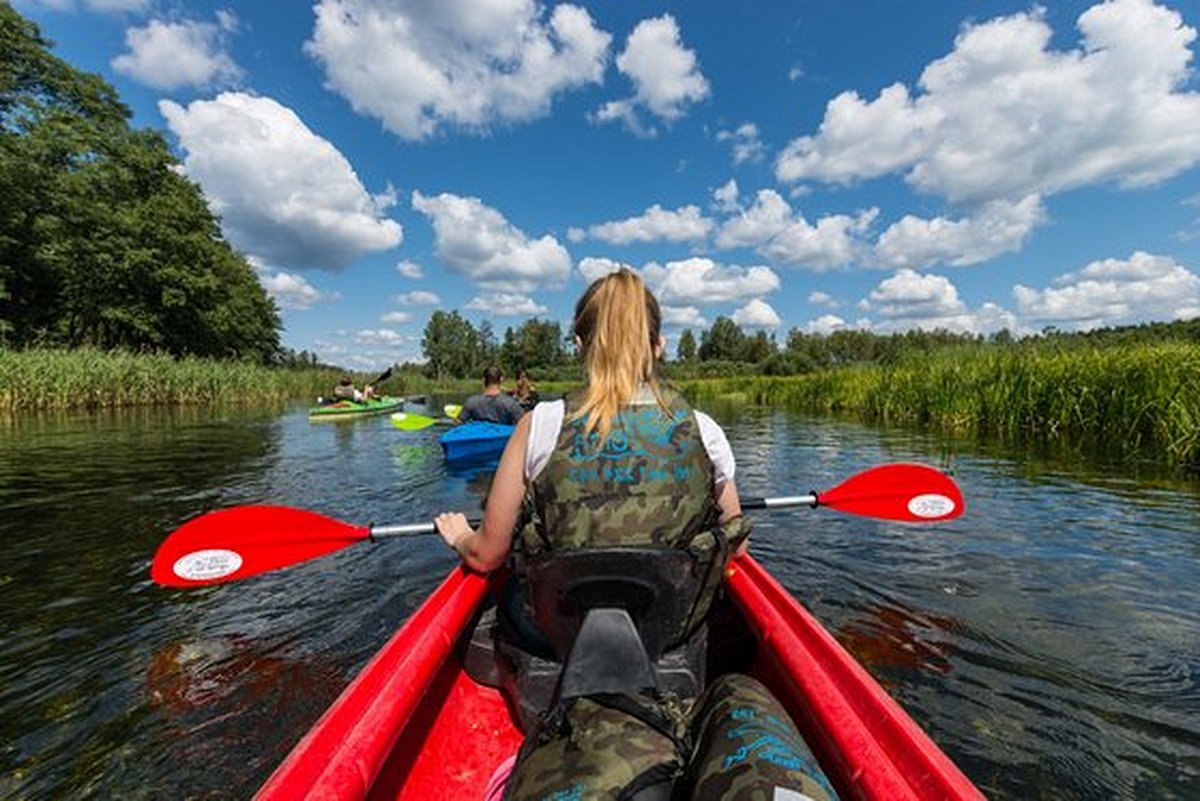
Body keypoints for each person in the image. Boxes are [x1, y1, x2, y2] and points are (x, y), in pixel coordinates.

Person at [437, 269, 825, 800]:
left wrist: (461, 535)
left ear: (578, 343)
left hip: (558, 635)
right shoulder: (702, 429)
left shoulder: (540, 424)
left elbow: (488, 555)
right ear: (660, 345)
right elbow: (737, 546)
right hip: (669, 633)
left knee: (499, 597)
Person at [458, 365, 525, 425]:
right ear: (501, 380)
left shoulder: (471, 402)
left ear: (483, 380)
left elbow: (458, 423)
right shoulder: (511, 403)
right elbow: (524, 424)